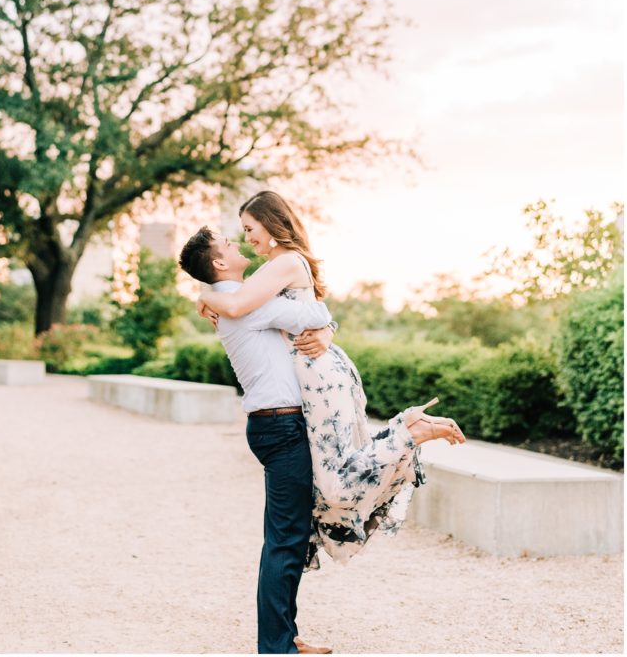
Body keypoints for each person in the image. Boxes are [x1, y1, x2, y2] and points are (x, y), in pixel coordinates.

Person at [197, 190, 465, 574]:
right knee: (330, 482)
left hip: (316, 375)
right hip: (314, 374)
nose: (247, 237)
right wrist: (327, 329)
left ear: (273, 224)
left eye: (250, 228)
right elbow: (291, 311)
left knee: (335, 482)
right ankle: (405, 431)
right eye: (243, 231)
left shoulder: (283, 262)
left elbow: (239, 304)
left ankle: (409, 430)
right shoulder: (275, 267)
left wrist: (203, 293)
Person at [179, 227, 336, 656]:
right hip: (281, 427)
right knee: (285, 538)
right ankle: (275, 647)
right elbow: (313, 316)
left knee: (287, 535)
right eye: (229, 244)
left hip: (275, 425)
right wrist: (325, 322)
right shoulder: (246, 302)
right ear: (218, 264)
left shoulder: (236, 299)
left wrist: (207, 296)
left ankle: (285, 635)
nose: (237, 244)